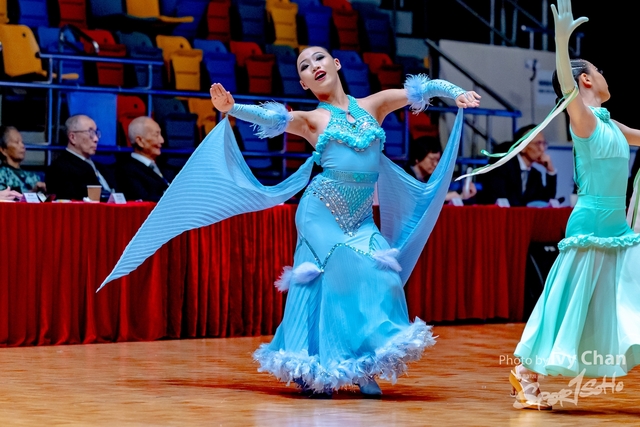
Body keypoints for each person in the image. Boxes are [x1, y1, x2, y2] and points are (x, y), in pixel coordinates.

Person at [99, 46, 481, 397]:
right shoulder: (311, 119)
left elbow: (421, 88)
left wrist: (456, 92)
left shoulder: (374, 105)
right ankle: (332, 369)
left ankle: (360, 366)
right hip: (321, 212)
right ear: (303, 83)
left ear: (336, 64)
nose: (314, 66)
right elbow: (272, 116)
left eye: (319, 59)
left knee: (381, 278)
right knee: (344, 276)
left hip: (361, 216)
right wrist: (233, 108)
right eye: (304, 66)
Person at [508, 0, 640, 410]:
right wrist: (561, 44)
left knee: (621, 301)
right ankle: (524, 372)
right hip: (590, 225)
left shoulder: (610, 123)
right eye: (597, 70)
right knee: (562, 304)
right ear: (585, 79)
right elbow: (567, 91)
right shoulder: (582, 119)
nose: (604, 73)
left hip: (617, 229)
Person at [478, 124, 557, 206]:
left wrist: (550, 171)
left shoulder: (535, 174)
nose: (542, 149)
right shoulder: (503, 167)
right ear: (522, 147)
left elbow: (545, 201)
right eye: (538, 143)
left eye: (544, 144)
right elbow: (500, 199)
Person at [46, 114, 114, 201]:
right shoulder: (59, 169)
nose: (96, 139)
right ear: (72, 137)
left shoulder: (102, 168)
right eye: (90, 133)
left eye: (96, 133)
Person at [405, 135, 477, 201]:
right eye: (432, 159)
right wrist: (445, 197)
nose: (435, 164)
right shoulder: (405, 177)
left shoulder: (431, 179)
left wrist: (462, 196)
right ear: (417, 158)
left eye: (437, 160)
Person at [116, 116, 169, 202]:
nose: (162, 140)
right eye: (156, 135)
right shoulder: (127, 170)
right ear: (140, 141)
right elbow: (143, 200)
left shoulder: (161, 165)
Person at [0, 126, 46, 194]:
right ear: (3, 150)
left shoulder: (34, 176)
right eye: (17, 142)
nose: (22, 146)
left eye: (22, 142)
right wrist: (32, 193)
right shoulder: (2, 175)